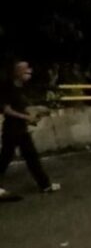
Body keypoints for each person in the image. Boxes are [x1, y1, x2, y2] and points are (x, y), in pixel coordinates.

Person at [0, 60, 60, 194]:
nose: (29, 71)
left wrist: (38, 109)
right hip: (11, 130)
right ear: (17, 72)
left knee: (31, 158)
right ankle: (45, 185)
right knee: (5, 159)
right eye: (25, 69)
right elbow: (7, 110)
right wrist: (27, 118)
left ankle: (45, 185)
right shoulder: (8, 88)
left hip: (21, 130)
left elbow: (22, 107)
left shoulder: (21, 89)